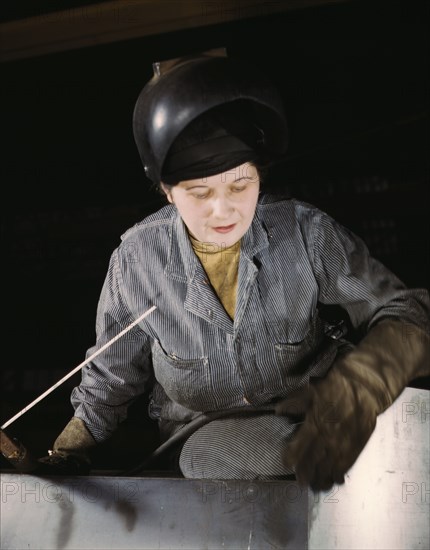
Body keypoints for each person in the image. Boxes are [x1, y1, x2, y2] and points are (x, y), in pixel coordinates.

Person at [39, 49, 430, 490]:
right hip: (209, 442)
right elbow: (111, 377)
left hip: (323, 413)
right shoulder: (137, 262)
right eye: (199, 192)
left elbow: (408, 311)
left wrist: (361, 386)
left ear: (260, 176)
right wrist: (67, 452)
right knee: (214, 456)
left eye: (240, 185)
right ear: (167, 191)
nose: (222, 210)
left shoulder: (305, 233)